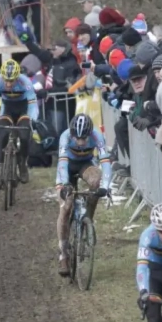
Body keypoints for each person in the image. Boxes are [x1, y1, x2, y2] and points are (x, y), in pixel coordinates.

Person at [55, 114, 112, 276]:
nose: (80, 142)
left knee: (96, 182)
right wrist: (65, 183)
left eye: (84, 139)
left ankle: (88, 221)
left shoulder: (97, 135)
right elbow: (62, 162)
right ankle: (63, 254)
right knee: (66, 207)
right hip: (67, 167)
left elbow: (105, 163)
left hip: (86, 165)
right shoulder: (65, 137)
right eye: (77, 138)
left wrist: (105, 187)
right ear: (72, 134)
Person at [0, 59, 38, 189]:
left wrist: (32, 120)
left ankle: (23, 165)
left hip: (23, 110)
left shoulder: (25, 83)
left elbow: (33, 104)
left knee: (25, 137)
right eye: (6, 80)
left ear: (17, 77)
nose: (8, 84)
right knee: (1, 138)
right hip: (7, 109)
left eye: (12, 81)